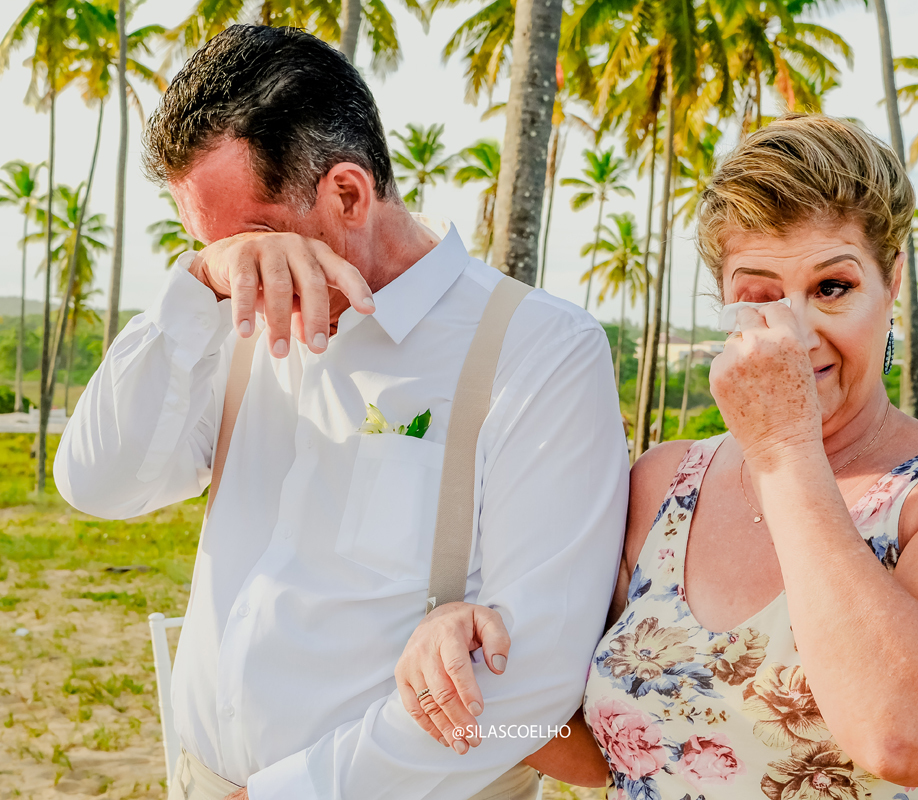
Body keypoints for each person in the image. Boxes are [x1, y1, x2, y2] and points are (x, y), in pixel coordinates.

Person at [394, 114, 918, 799]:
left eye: (833, 288)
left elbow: (907, 735)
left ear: (892, 285)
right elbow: (603, 755)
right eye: (760, 296)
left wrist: (782, 449)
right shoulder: (662, 485)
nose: (794, 335)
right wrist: (470, 669)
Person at [54, 25, 629, 800]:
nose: (244, 269)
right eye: (215, 249)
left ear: (348, 194)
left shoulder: (540, 349)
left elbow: (532, 677)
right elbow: (98, 484)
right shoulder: (230, 315)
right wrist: (198, 283)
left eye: (251, 239)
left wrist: (282, 793)